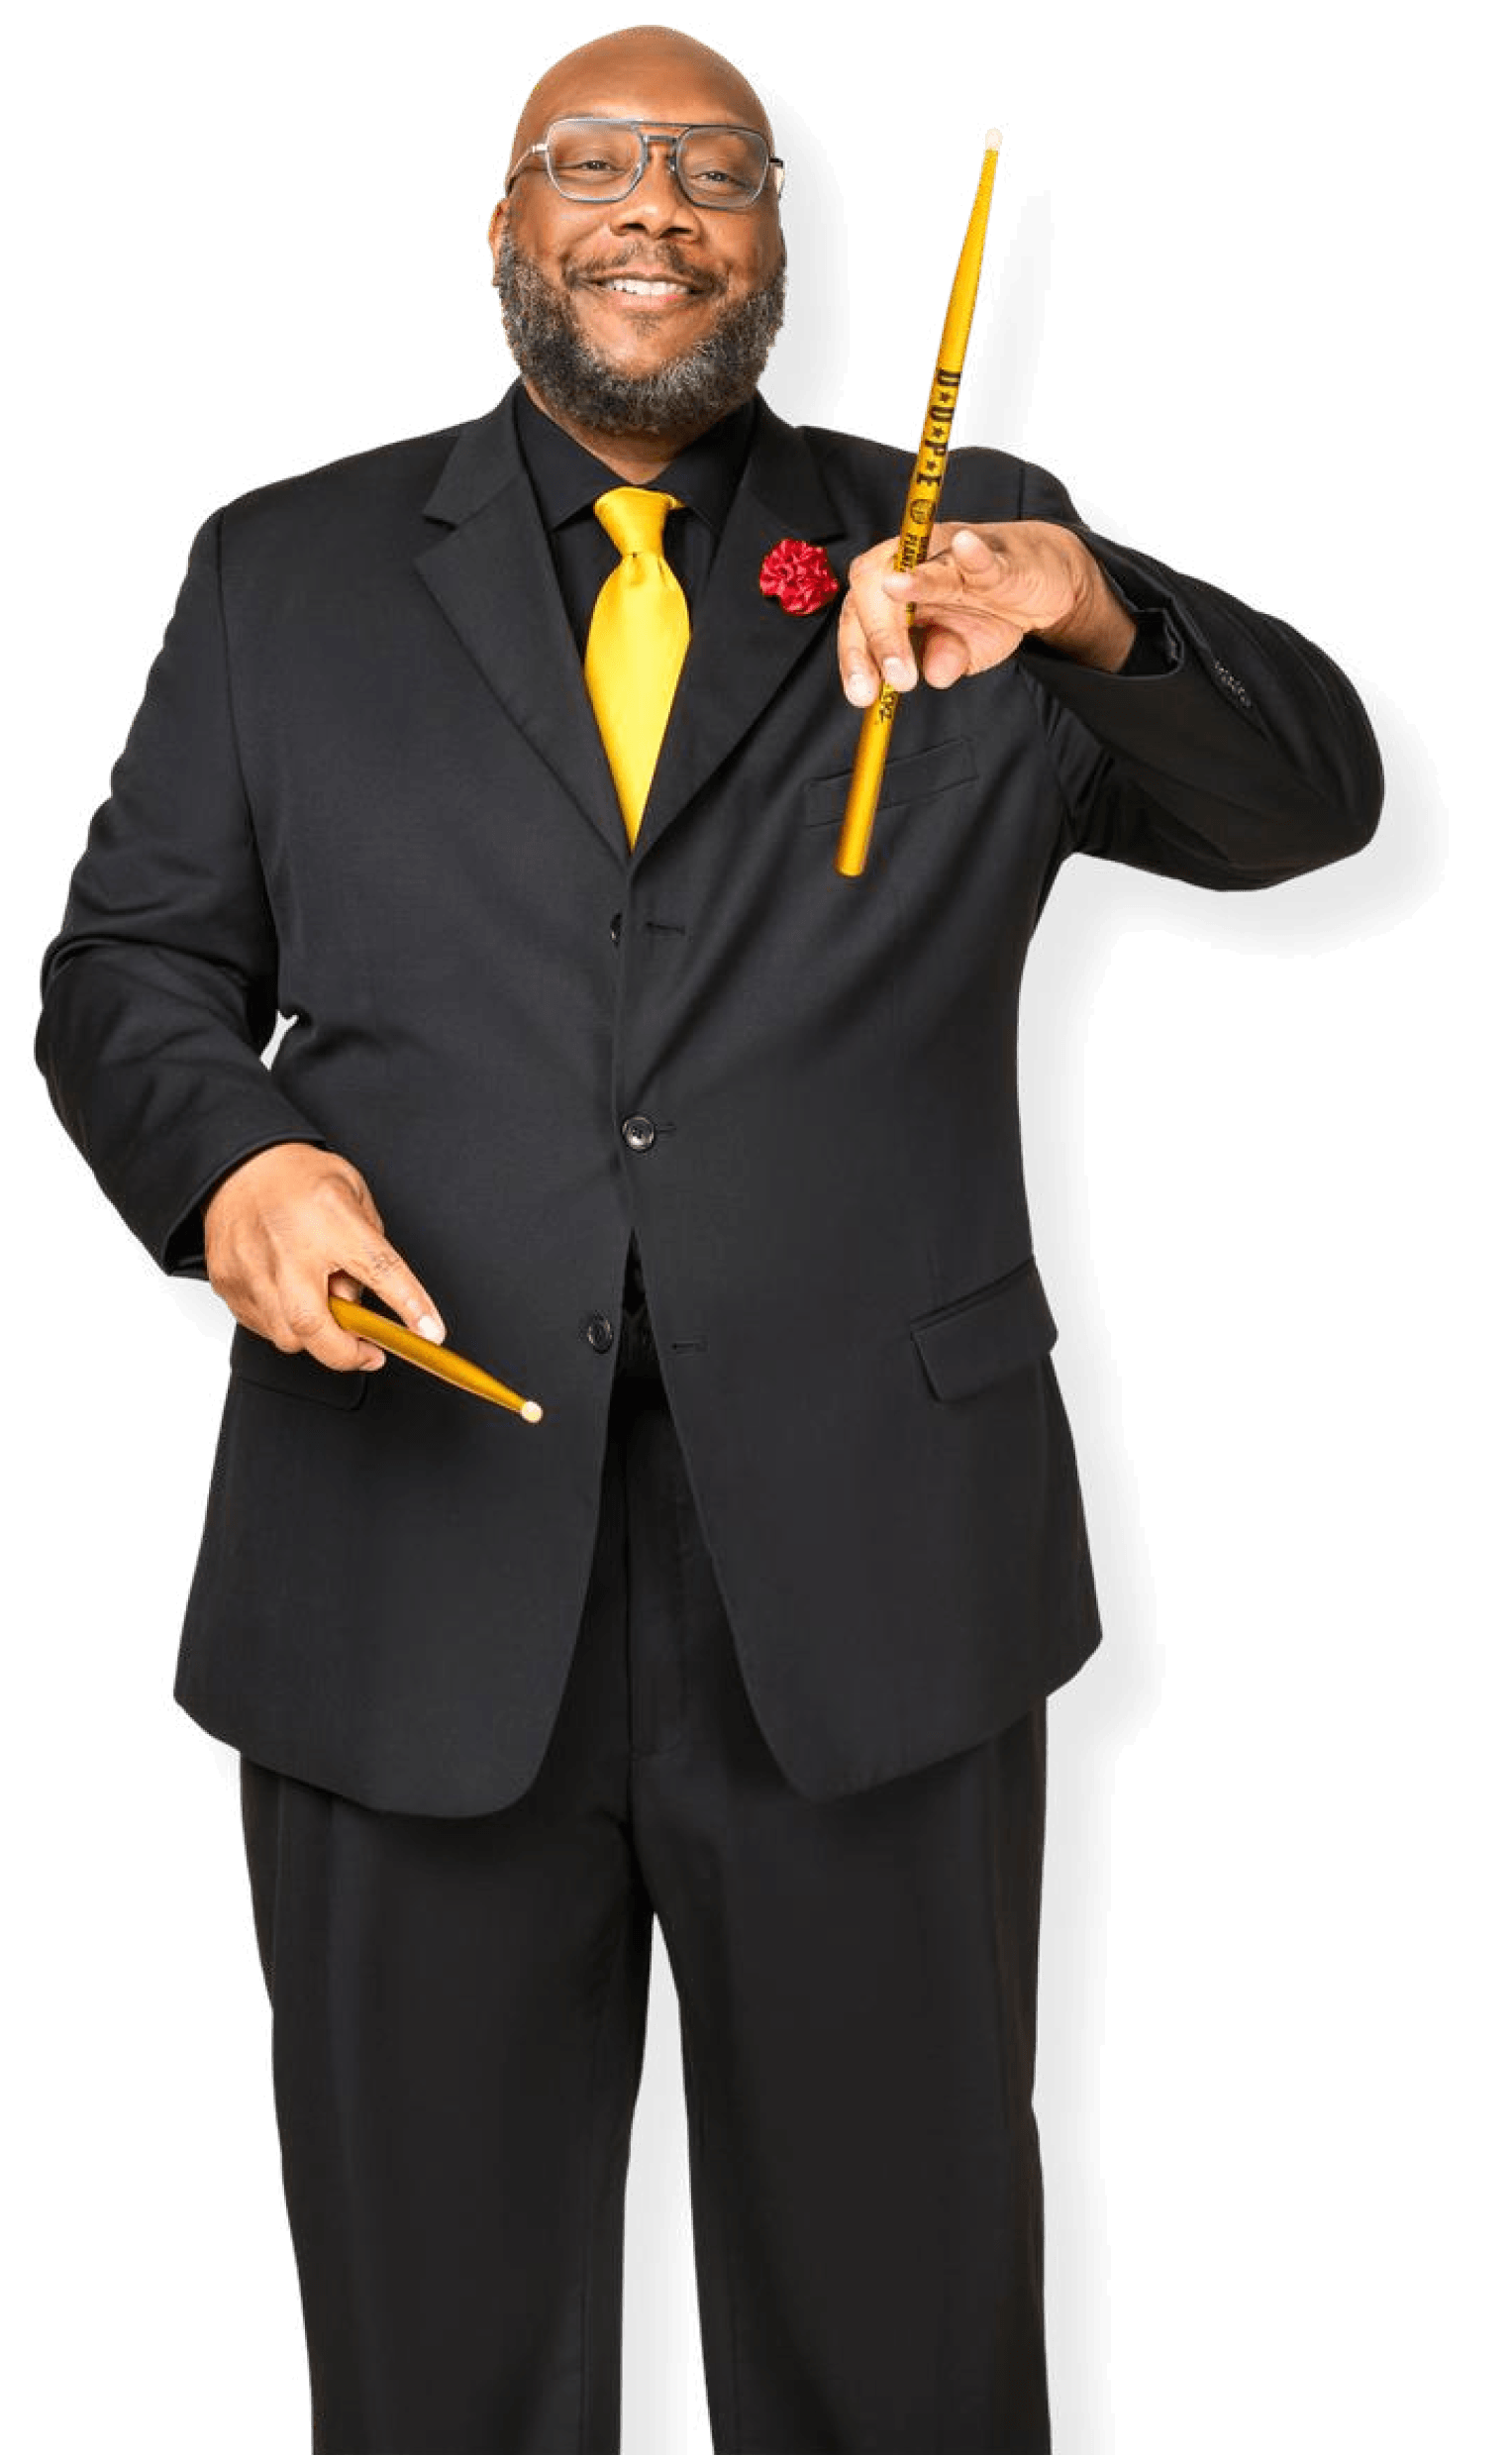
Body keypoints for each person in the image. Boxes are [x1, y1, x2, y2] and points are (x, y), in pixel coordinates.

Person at [35, 22, 1384, 2453]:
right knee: (435, 2378)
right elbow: (128, 966)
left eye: (712, 170)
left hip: (876, 1586)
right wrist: (236, 1167)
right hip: (402, 1558)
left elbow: (1304, 813)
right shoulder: (279, 570)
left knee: (903, 2363)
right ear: (502, 231)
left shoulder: (963, 554)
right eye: (591, 162)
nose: (651, 205)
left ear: (776, 243)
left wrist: (1093, 608)